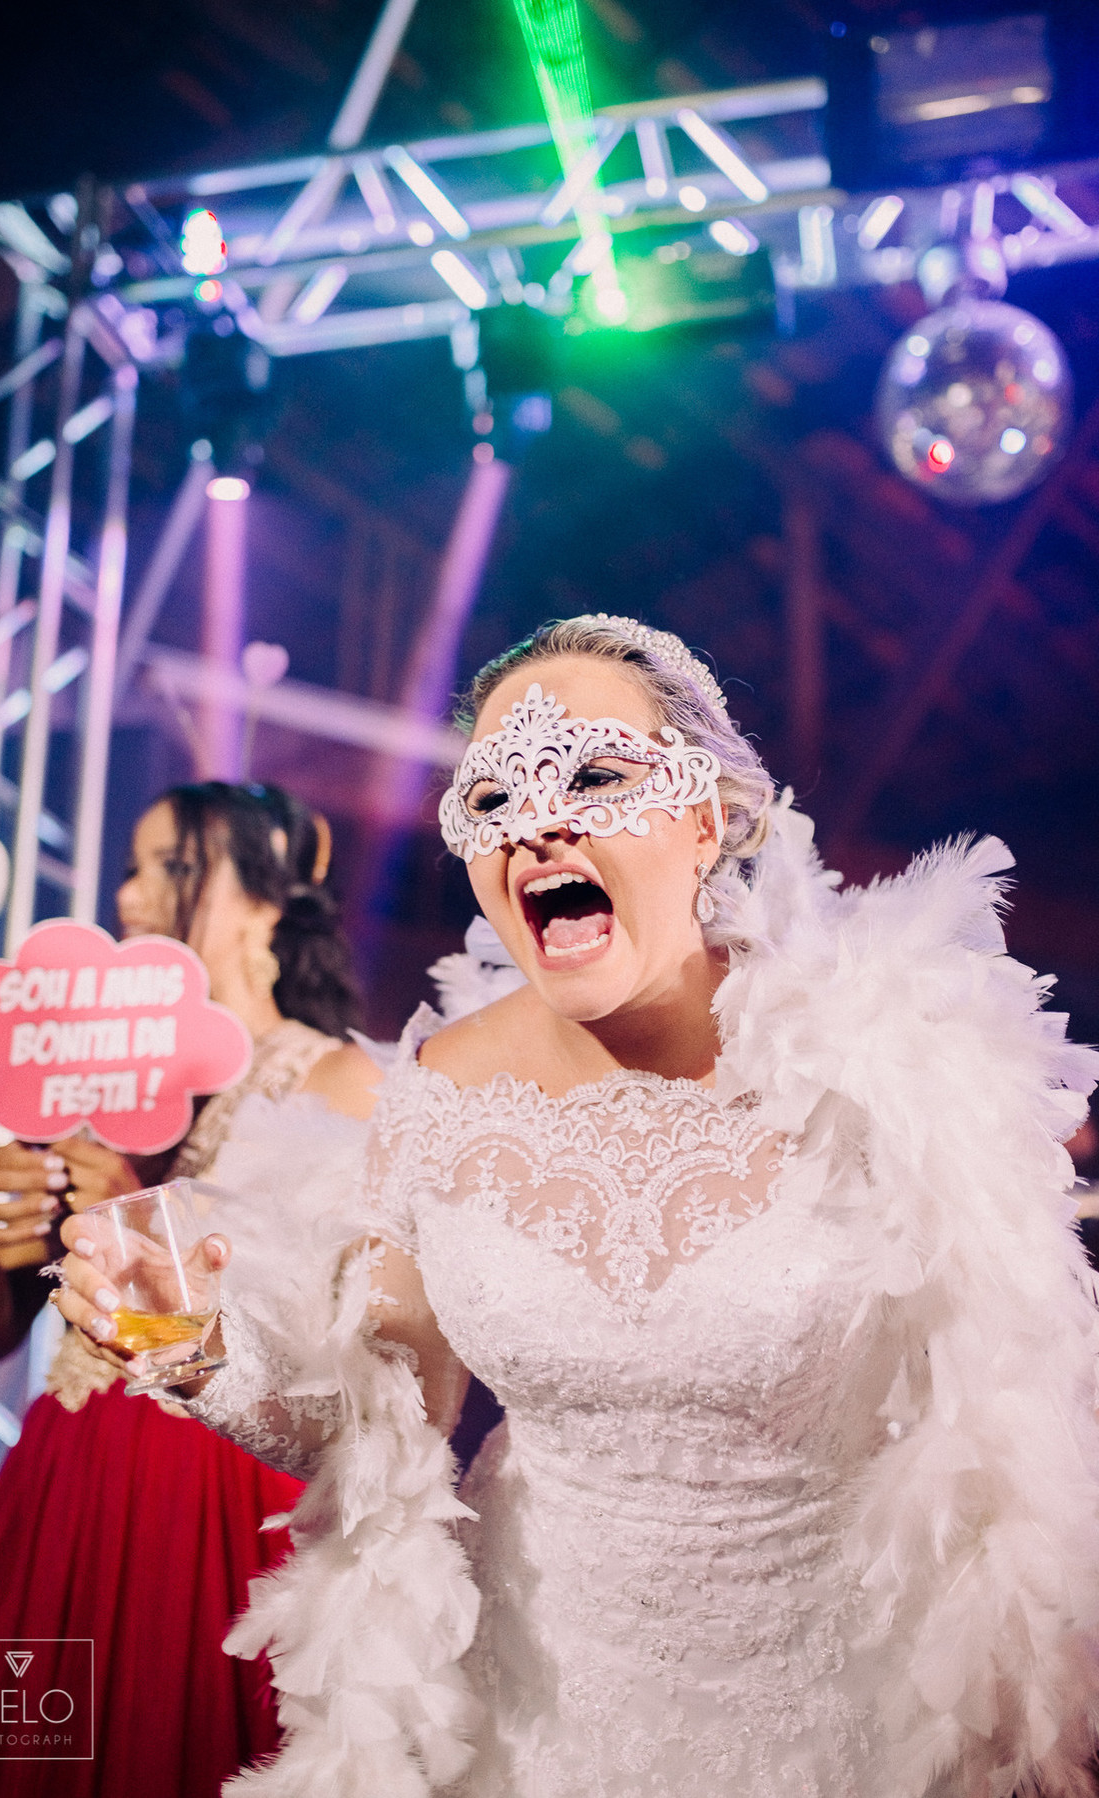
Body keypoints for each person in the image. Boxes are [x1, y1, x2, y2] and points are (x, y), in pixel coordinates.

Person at [60, 618, 1099, 1798]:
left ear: (706, 819)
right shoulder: (443, 1091)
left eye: (597, 775)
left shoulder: (888, 1065)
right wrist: (201, 1343)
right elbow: (386, 1421)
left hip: (853, 1718)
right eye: (497, 793)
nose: (543, 820)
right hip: (535, 1724)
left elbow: (1019, 1438)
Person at [0, 781, 378, 1798]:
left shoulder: (341, 1083)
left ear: (273, 892)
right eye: (131, 865)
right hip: (60, 1484)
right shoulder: (92, 1089)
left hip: (211, 1510)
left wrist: (143, 1215)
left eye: (171, 866)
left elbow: (343, 1367)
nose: (131, 895)